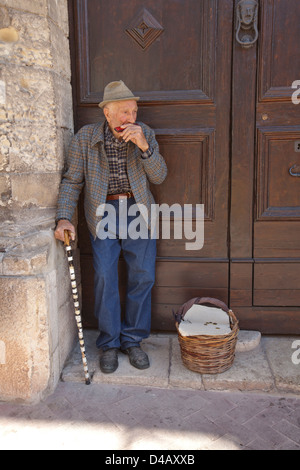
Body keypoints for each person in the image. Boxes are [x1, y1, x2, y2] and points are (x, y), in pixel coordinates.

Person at [54, 81, 167, 374]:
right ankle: (108, 343)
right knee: (105, 276)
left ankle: (132, 340)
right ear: (107, 113)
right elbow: (72, 181)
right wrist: (64, 217)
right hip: (101, 212)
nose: (131, 117)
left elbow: (159, 176)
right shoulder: (85, 139)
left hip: (138, 210)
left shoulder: (146, 134)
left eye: (134, 111)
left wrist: (144, 147)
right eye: (124, 112)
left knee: (142, 276)